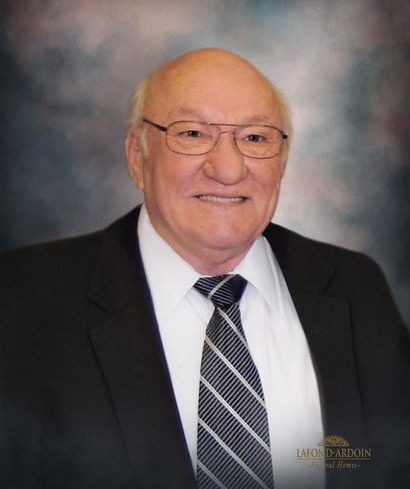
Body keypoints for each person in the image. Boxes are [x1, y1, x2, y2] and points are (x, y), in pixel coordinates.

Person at [1, 48, 409, 489]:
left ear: (282, 161)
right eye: (193, 133)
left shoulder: (356, 286)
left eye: (255, 138)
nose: (228, 169)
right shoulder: (20, 301)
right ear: (137, 156)